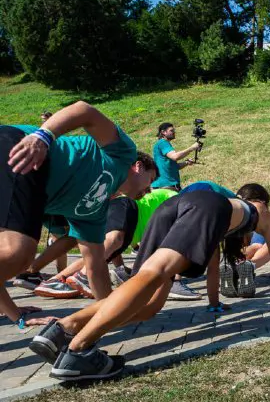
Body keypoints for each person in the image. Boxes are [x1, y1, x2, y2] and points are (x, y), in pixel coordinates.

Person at [29, 185, 270, 381]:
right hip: (202, 207)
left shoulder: (229, 216)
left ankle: (62, 329)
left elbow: (214, 265)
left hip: (172, 207)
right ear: (263, 201)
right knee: (150, 276)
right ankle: (79, 350)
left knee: (149, 304)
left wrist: (214, 301)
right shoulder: (267, 216)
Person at [1, 101, 156, 327]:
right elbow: (85, 111)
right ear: (139, 166)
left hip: (26, 181)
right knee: (18, 252)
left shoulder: (94, 212)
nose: (147, 191)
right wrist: (43, 136)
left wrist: (112, 315)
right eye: (150, 180)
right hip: (24, 151)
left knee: (10, 257)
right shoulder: (123, 154)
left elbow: (96, 268)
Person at [22, 195, 140, 299]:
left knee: (80, 240)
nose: (148, 190)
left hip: (91, 199)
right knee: (101, 245)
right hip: (116, 199)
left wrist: (121, 269)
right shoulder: (128, 200)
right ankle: (80, 277)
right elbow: (114, 240)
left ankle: (53, 280)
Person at [151, 123, 200, 191]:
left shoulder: (163, 144)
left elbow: (174, 166)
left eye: (174, 130)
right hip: (165, 186)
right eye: (171, 130)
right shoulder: (163, 143)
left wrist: (186, 162)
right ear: (163, 132)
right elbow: (175, 157)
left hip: (165, 185)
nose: (174, 132)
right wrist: (191, 148)